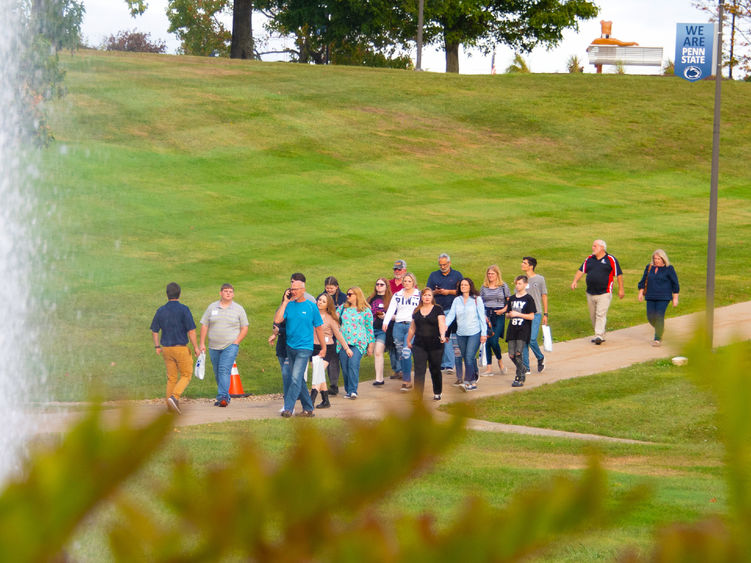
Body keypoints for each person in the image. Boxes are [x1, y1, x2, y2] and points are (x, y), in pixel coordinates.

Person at [274, 279, 326, 417]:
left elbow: (319, 328)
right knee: (298, 379)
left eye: (296, 289)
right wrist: (285, 302)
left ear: (303, 290)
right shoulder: (289, 306)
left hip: (305, 347)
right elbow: (278, 320)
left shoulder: (311, 306)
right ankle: (308, 409)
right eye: (292, 289)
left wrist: (323, 347)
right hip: (290, 347)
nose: (293, 291)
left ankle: (288, 408)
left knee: (296, 378)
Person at [150, 282, 200, 415]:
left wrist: (157, 346)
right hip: (181, 348)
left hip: (166, 349)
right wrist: (196, 347)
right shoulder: (184, 309)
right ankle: (175, 397)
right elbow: (192, 331)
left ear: (167, 294)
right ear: (180, 294)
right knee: (186, 374)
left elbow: (155, 331)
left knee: (172, 377)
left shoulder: (161, 310)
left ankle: (169, 406)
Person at [199, 284, 249, 407]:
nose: (228, 293)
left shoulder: (238, 309)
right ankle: (224, 395)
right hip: (213, 346)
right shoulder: (212, 307)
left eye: (230, 292)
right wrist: (202, 343)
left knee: (224, 370)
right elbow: (205, 325)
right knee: (217, 372)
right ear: (220, 293)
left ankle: (222, 398)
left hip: (230, 346)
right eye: (226, 291)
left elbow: (244, 327)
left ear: (233, 294)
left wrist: (236, 341)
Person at [571, 239, 624, 345]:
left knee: (600, 314)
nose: (593, 248)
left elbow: (618, 274)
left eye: (595, 246)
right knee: (593, 315)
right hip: (590, 292)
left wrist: (621, 289)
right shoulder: (589, 259)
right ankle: (601, 333)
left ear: (602, 248)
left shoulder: (610, 259)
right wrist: (575, 281)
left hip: (605, 292)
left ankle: (598, 335)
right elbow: (581, 270)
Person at [444, 278, 487, 392]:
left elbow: (482, 317)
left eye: (465, 285)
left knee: (468, 357)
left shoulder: (477, 300)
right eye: (461, 285)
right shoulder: (457, 300)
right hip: (461, 333)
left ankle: (468, 382)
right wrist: (444, 326)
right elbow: (451, 315)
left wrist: (484, 333)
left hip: (475, 332)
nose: (463, 286)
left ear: (470, 286)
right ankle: (473, 378)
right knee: (468, 358)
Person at [312, 292, 352, 408]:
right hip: (314, 347)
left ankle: (311, 400)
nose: (320, 302)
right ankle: (326, 401)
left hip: (328, 348)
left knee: (317, 373)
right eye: (319, 300)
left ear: (328, 305)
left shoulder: (330, 319)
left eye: (323, 301)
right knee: (319, 375)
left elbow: (338, 335)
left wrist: (346, 348)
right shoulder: (313, 315)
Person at [382, 273, 421, 391]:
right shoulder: (397, 295)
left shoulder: (418, 295)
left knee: (406, 352)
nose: (407, 283)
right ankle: (405, 376)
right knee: (401, 354)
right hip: (398, 325)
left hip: (411, 325)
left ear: (413, 282)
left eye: (409, 281)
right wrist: (386, 322)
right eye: (405, 281)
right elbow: (391, 309)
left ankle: (407, 380)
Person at [407, 288, 447, 400]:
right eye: (425, 295)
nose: (427, 297)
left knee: (435, 369)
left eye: (429, 295)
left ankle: (437, 392)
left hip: (435, 344)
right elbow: (412, 328)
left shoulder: (438, 309)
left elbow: (442, 324)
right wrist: (408, 340)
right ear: (421, 297)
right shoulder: (416, 311)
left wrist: (443, 335)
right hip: (419, 345)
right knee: (419, 370)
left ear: (432, 297)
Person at [426, 253, 463, 374]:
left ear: (449, 263)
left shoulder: (457, 275)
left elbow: (462, 290)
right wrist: (435, 292)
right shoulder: (434, 275)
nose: (443, 267)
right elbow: (428, 291)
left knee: (449, 337)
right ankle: (444, 364)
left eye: (445, 264)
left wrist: (448, 292)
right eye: (441, 265)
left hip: (453, 310)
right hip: (438, 310)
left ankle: (449, 364)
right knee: (440, 337)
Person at [336, 287, 374, 399]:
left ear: (357, 295)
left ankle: (353, 391)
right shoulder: (343, 308)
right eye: (347, 294)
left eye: (350, 294)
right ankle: (349, 390)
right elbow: (334, 318)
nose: (347, 296)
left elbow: (369, 328)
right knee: (345, 366)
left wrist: (370, 345)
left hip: (358, 342)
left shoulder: (365, 310)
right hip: (343, 342)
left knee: (353, 364)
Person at [637, 249, 680, 346]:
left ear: (663, 259)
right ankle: (660, 329)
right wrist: (640, 292)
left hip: (664, 297)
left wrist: (675, 298)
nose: (656, 260)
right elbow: (643, 281)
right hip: (650, 296)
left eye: (659, 259)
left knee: (659, 316)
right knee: (650, 317)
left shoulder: (669, 268)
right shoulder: (649, 267)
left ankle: (657, 338)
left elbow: (675, 284)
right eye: (655, 258)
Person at [506, 275, 537, 388]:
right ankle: (522, 368)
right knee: (511, 355)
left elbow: (531, 316)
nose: (517, 286)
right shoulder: (512, 298)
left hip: (523, 329)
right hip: (512, 329)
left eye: (520, 283)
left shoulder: (528, 298)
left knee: (519, 353)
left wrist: (518, 314)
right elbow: (508, 314)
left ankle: (519, 377)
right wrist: (509, 315)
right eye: (516, 284)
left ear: (525, 284)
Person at [479, 265, 509, 376]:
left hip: (499, 314)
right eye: (489, 274)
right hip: (487, 315)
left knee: (494, 340)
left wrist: (504, 310)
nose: (490, 276)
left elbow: (509, 301)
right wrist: (483, 315)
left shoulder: (503, 286)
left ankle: (500, 361)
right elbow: (480, 302)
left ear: (497, 274)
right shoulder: (484, 287)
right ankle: (489, 368)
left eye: (493, 274)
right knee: (486, 341)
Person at [520, 256, 548, 373]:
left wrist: (545, 314)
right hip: (524, 315)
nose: (522, 264)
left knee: (531, 339)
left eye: (524, 263)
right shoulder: (521, 280)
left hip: (536, 313)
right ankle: (526, 367)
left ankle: (540, 357)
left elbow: (544, 295)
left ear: (531, 266)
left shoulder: (540, 279)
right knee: (524, 341)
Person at [367, 278, 393, 386]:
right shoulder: (370, 298)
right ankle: (379, 378)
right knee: (373, 353)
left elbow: (393, 314)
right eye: (377, 284)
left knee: (378, 352)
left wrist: (385, 317)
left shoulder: (391, 299)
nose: (379, 286)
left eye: (381, 284)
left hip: (382, 330)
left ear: (386, 286)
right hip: (371, 329)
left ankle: (379, 379)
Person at [388, 260, 407, 377]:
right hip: (389, 318)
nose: (397, 271)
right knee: (392, 345)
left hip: (402, 318)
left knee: (401, 345)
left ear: (404, 270)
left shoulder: (408, 284)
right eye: (395, 269)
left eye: (399, 269)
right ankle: (396, 369)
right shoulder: (389, 283)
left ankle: (402, 369)